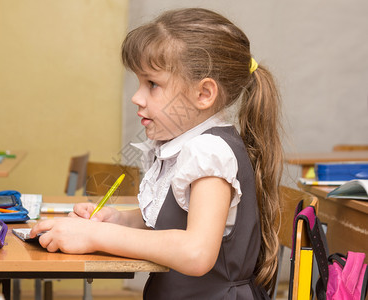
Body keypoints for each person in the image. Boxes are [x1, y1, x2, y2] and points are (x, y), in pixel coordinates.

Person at [30, 7, 283, 299]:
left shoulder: (209, 152)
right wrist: (120, 220)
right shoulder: (184, 146)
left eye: (152, 84)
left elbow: (196, 252)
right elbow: (178, 217)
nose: (137, 97)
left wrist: (96, 236)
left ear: (203, 94)